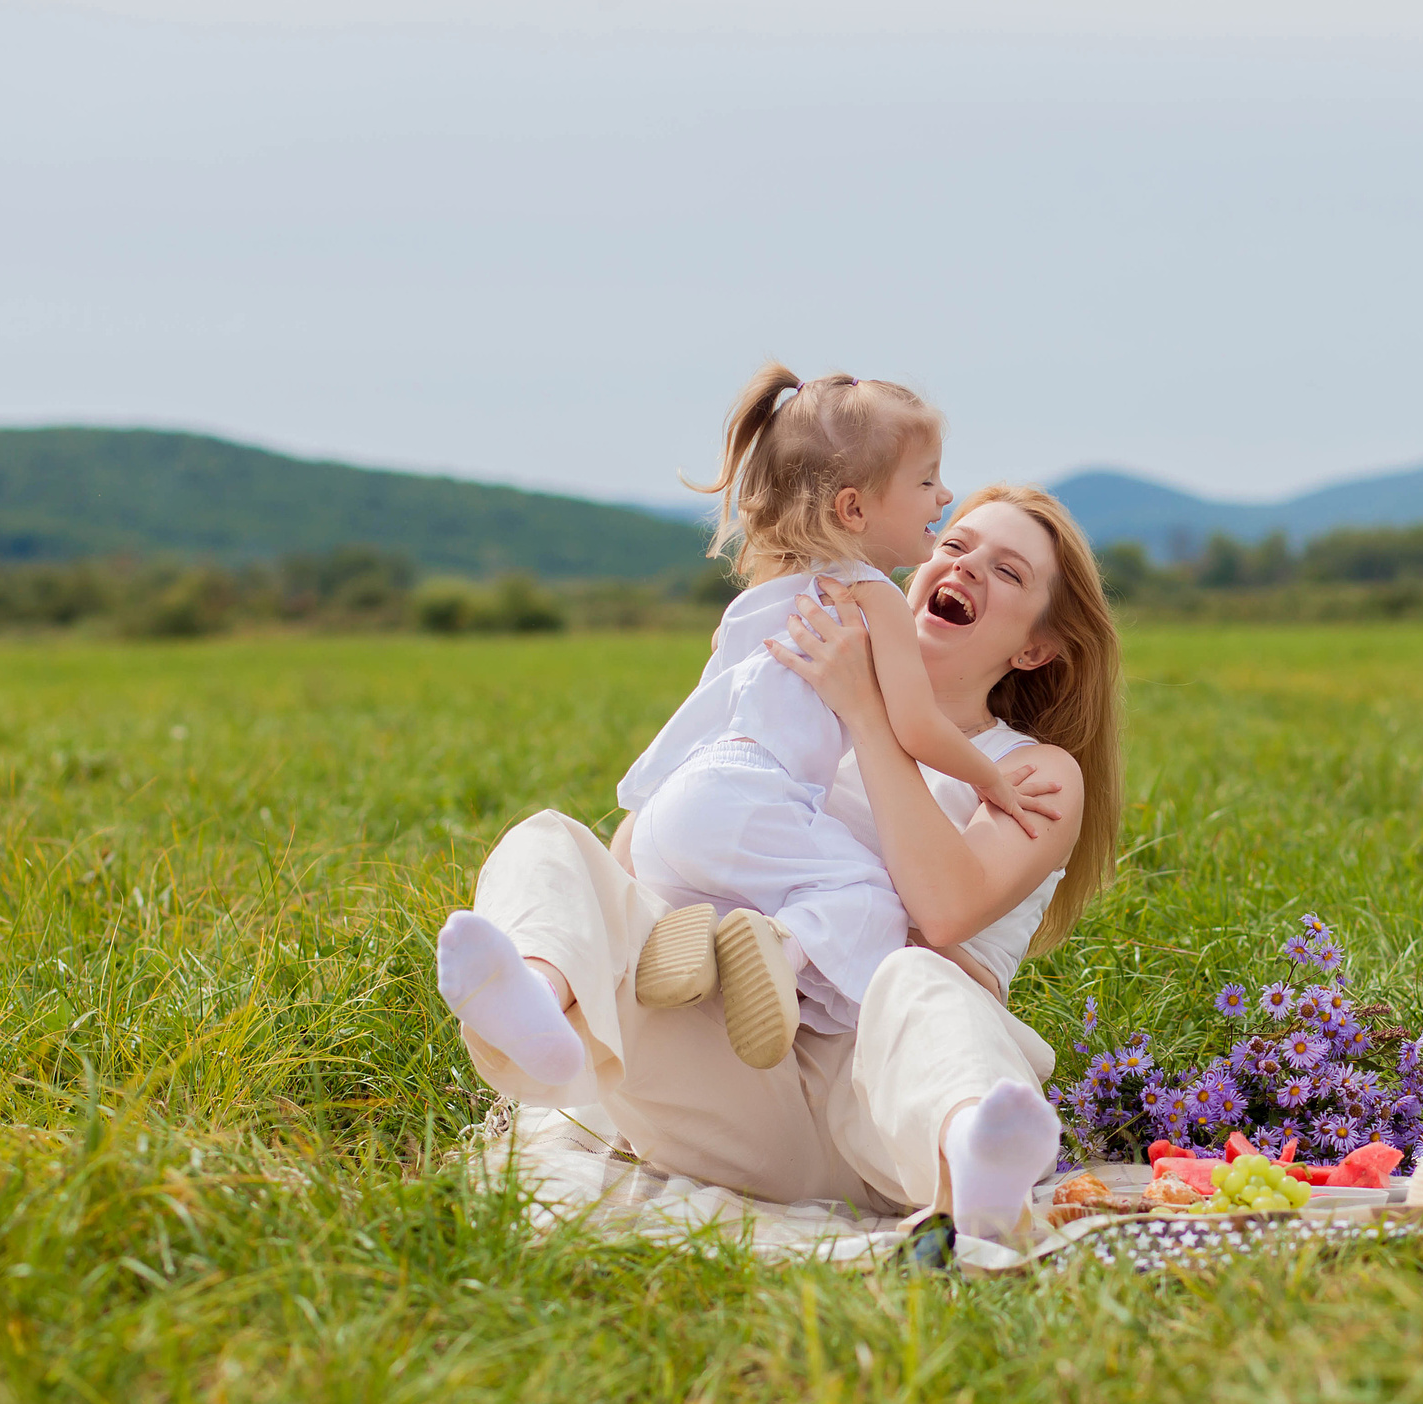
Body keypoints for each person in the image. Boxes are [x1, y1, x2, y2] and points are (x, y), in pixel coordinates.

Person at [433, 486, 1123, 1240]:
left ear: (1034, 648)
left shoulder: (1030, 773)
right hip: (731, 1087)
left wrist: (867, 711)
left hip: (873, 1117)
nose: (967, 568)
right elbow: (640, 860)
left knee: (917, 973)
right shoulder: (802, 704)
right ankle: (533, 1002)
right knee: (551, 838)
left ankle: (974, 1165)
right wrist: (728, 719)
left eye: (1009, 572)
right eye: (955, 546)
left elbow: (944, 910)